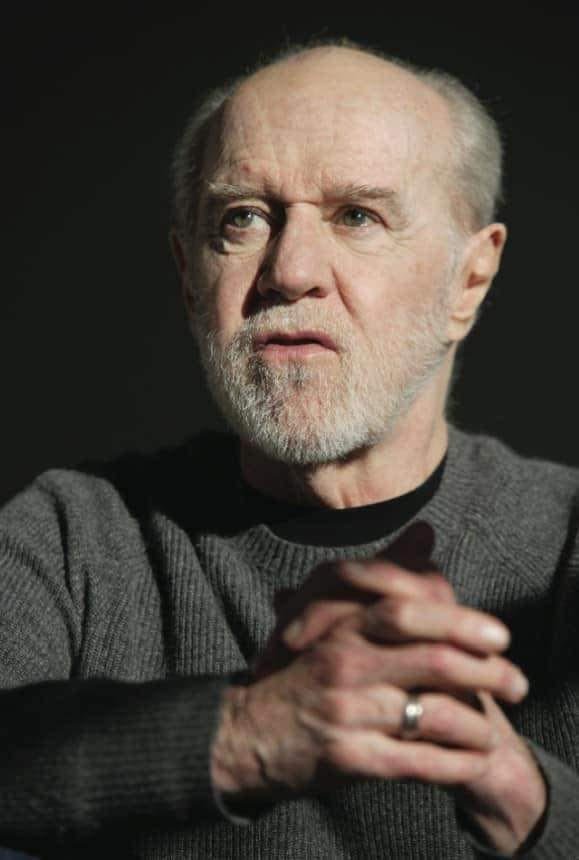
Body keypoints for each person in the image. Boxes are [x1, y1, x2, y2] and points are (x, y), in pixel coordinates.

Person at [0, 37, 576, 859]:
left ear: (469, 280)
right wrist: (246, 733)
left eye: (357, 216)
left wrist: (526, 801)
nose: (291, 269)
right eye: (242, 218)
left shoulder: (566, 545)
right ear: (189, 276)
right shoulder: (74, 539)